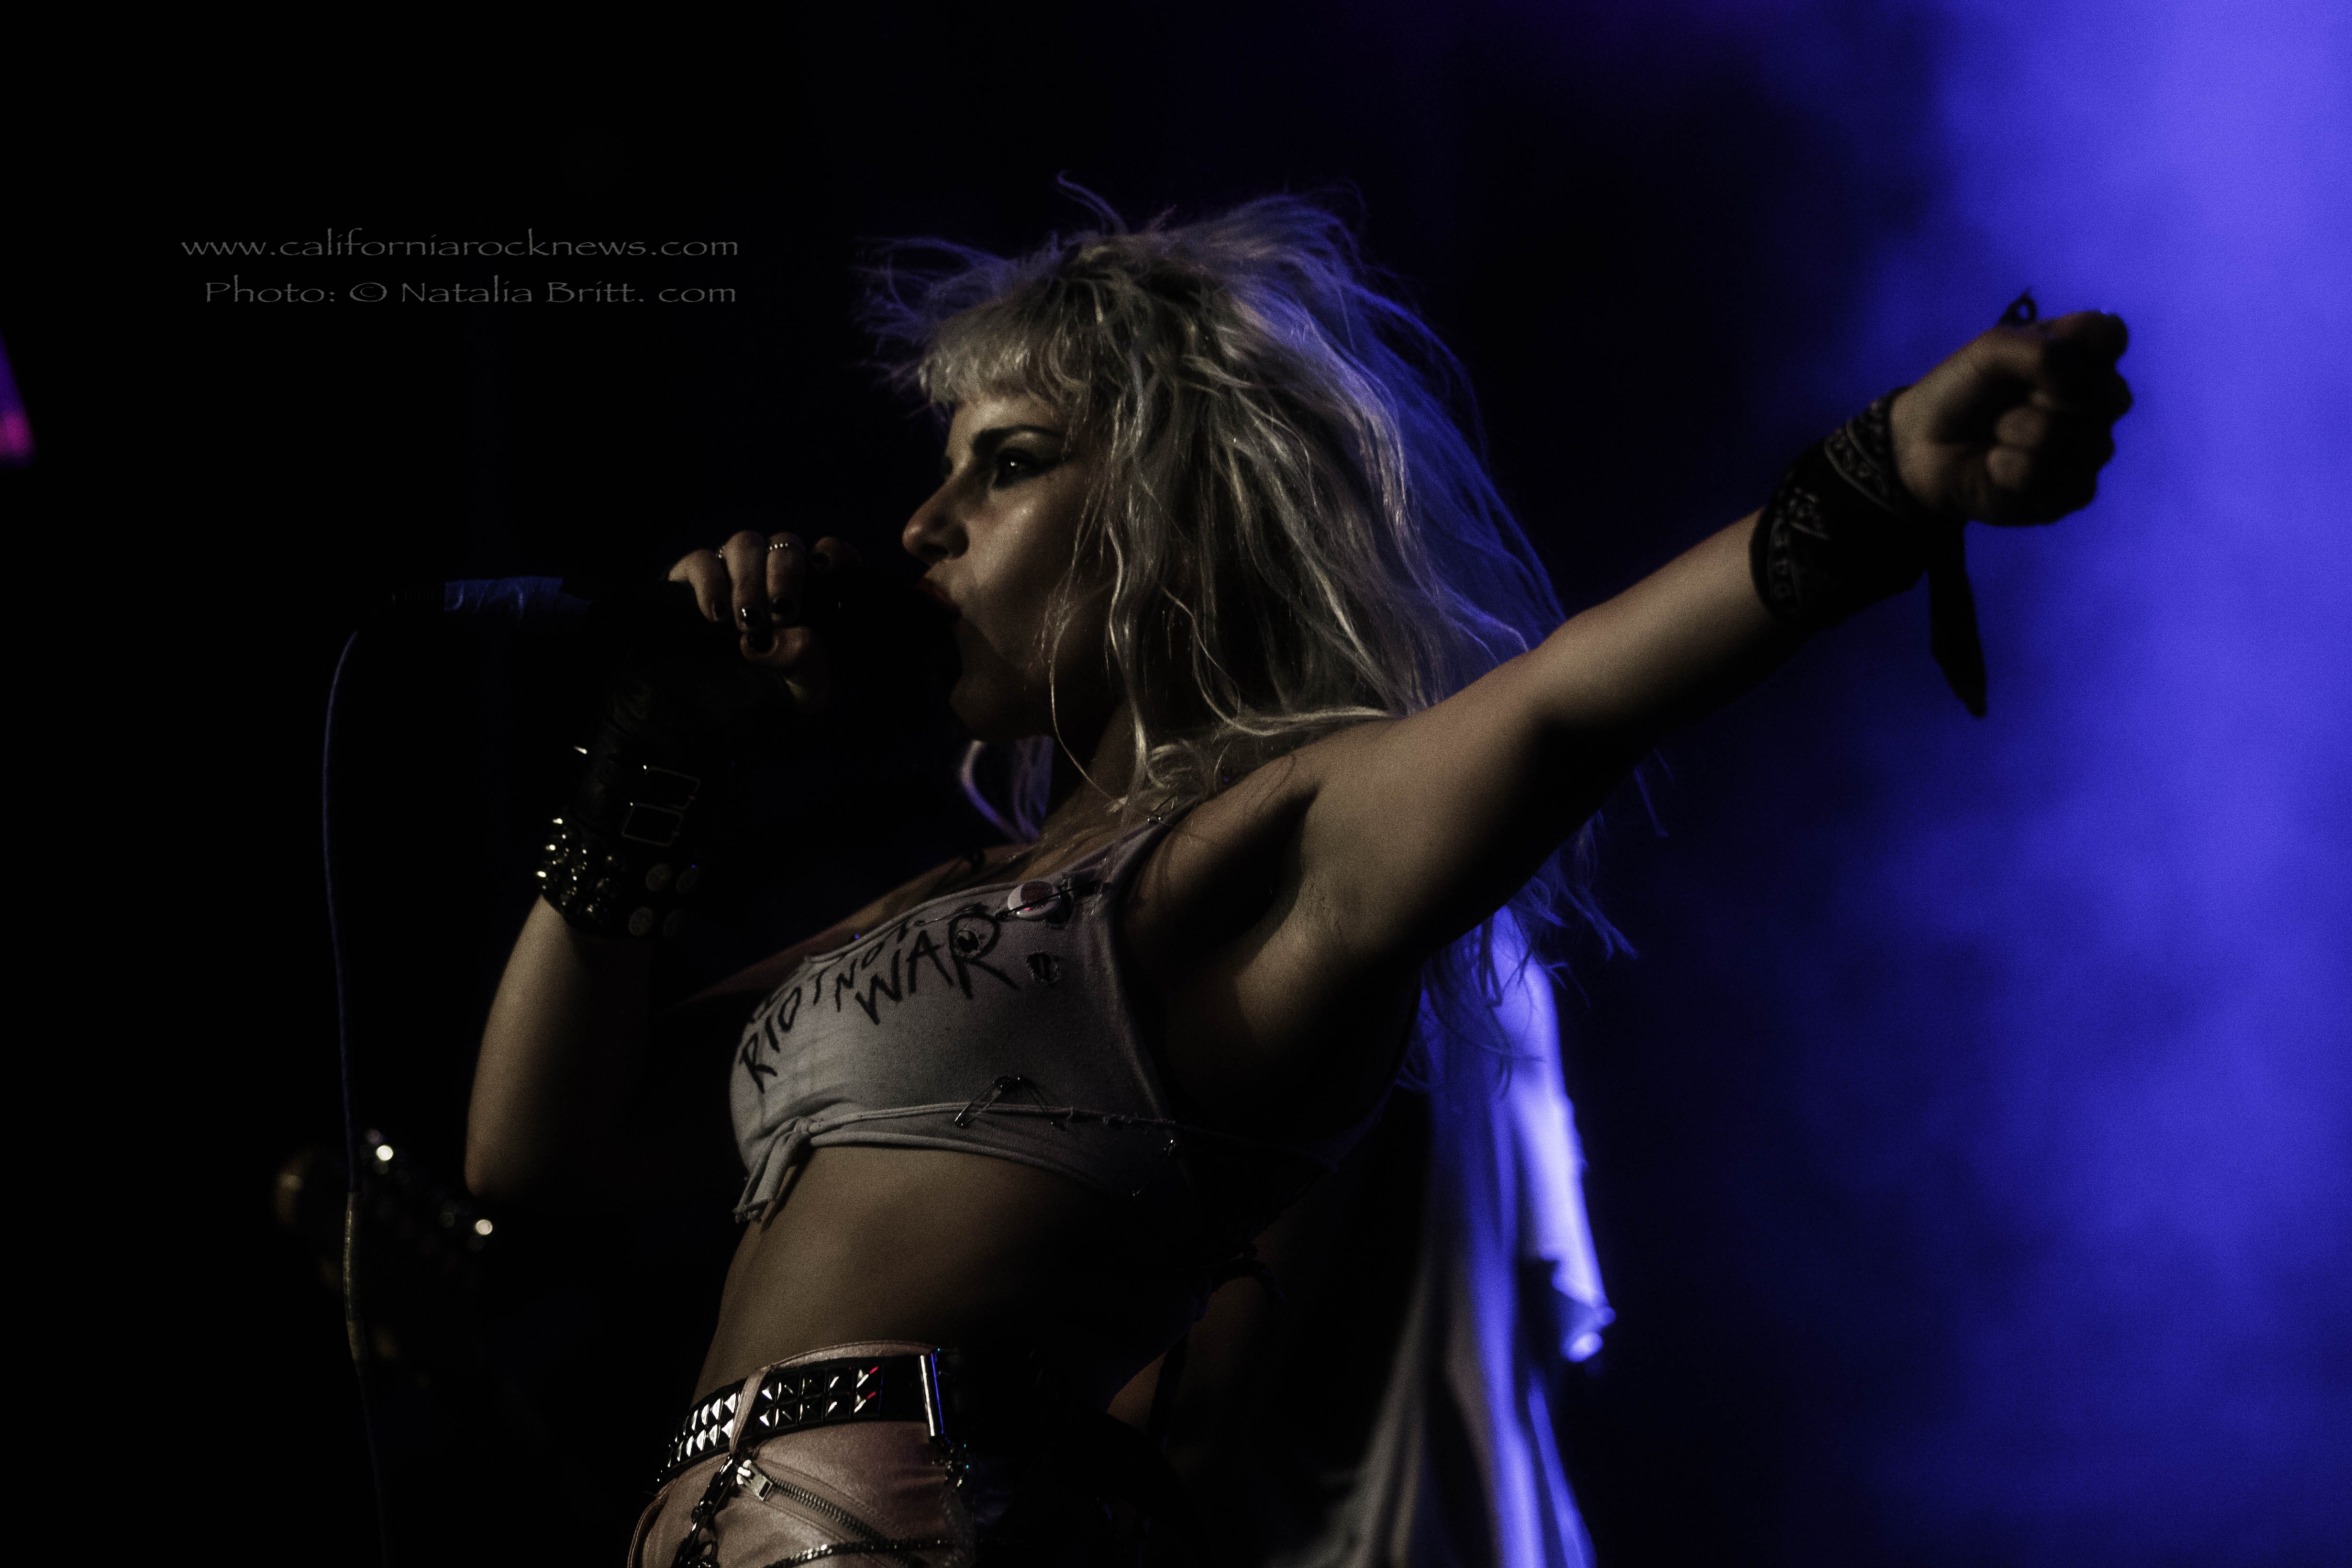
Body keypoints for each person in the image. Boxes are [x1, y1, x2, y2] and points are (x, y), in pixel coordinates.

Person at [464, 195, 2130, 1566]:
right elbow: (536, 1151)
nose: (922, 524)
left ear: (1176, 514)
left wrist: (1883, 479)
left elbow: (1568, 702)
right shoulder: (946, 897)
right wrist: (649, 764)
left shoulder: (1277, 841)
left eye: (1008, 461)